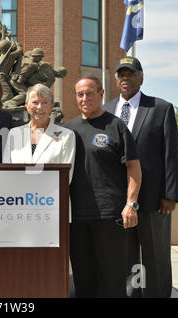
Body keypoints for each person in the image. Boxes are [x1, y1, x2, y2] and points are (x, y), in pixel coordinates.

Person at [103, 57, 178, 298]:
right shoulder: (106, 110)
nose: (125, 78)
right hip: (118, 201)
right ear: (116, 80)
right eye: (121, 75)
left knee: (154, 256)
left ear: (141, 78)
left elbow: (171, 155)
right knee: (126, 257)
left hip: (153, 200)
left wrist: (169, 194)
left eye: (131, 74)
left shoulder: (160, 108)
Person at [64, 76, 142, 297]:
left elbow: (134, 167)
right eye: (80, 94)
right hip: (76, 217)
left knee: (112, 279)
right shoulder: (68, 130)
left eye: (90, 93)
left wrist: (131, 204)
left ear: (101, 93)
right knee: (83, 277)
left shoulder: (116, 126)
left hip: (110, 215)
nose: (85, 98)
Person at [3, 83, 75, 170]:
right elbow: (7, 170)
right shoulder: (14, 134)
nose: (39, 107)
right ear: (26, 105)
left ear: (52, 106)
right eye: (35, 102)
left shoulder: (66, 136)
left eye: (44, 102)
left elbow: (66, 176)